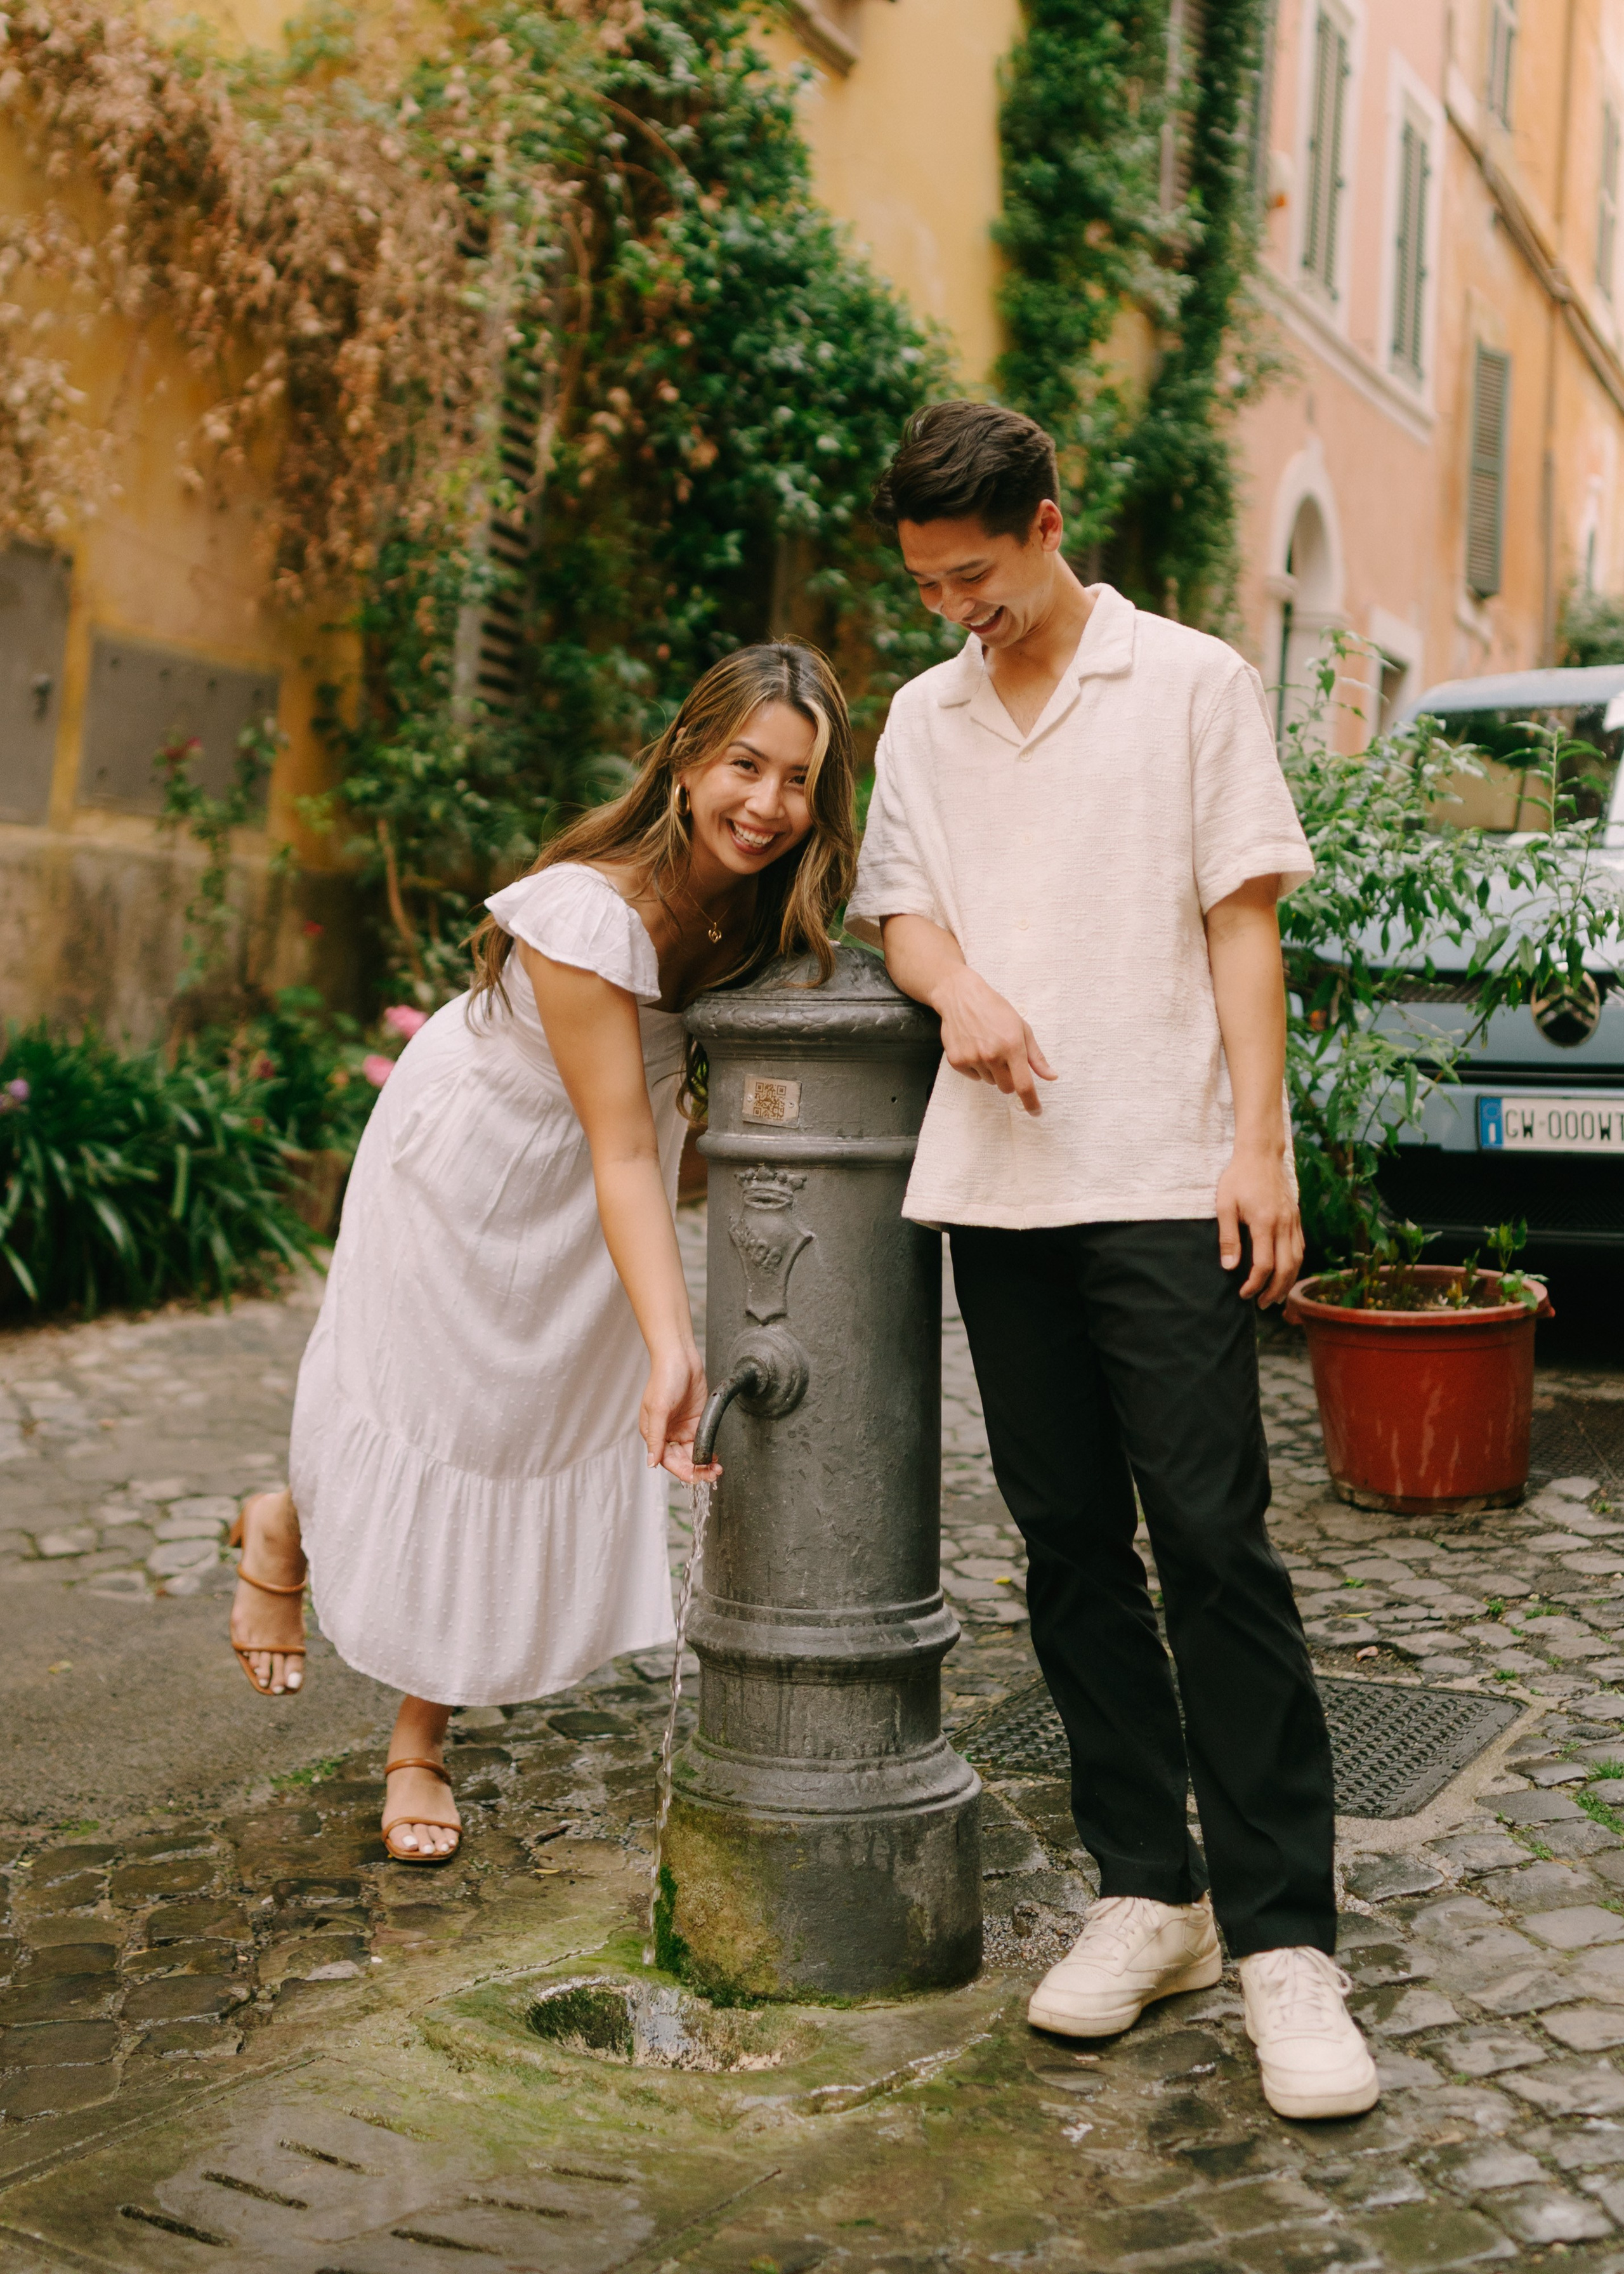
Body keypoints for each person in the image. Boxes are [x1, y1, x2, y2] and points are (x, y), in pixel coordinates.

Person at [846, 402, 1377, 2123]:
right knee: (1067, 1544)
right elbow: (904, 903)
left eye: (977, 576)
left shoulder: (1195, 685)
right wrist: (959, 991)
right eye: (928, 585)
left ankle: (1288, 1935)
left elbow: (1245, 915)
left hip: (1159, 1166)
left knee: (1213, 1537)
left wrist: (1260, 1146)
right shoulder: (923, 719)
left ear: (1049, 521)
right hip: (1000, 1185)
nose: (955, 613)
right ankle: (1150, 1895)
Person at [228, 643, 857, 1865]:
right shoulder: (586, 909)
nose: (767, 805)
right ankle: (338, 1608)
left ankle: (374, 1653)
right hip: (475, 1162)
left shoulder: (763, 908)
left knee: (514, 1429)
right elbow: (628, 1146)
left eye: (798, 781)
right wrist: (678, 1342)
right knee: (438, 1411)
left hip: (588, 1197)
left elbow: (639, 1148)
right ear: (685, 759)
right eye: (744, 764)